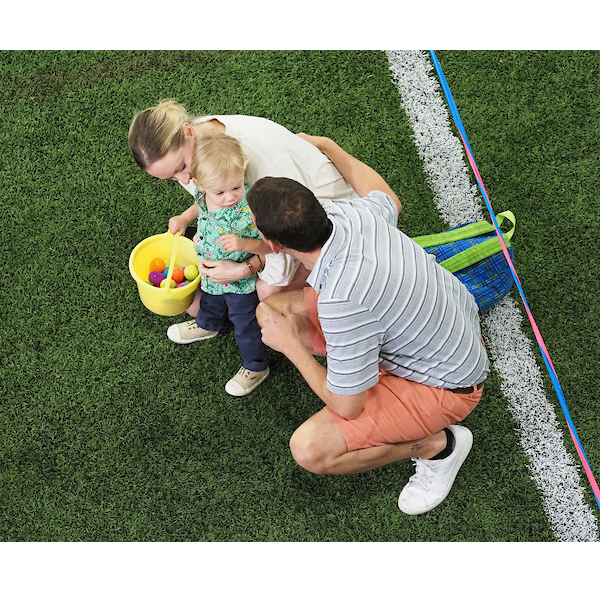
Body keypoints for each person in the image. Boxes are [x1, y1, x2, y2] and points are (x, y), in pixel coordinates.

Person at [249, 134, 489, 515]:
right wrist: (331, 147)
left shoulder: (341, 302)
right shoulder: (352, 215)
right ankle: (369, 365)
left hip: (448, 385)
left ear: (274, 244)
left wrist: (290, 347)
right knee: (272, 311)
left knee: (309, 449)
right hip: (449, 327)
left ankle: (439, 448)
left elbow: (347, 406)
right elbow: (385, 194)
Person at [128, 101, 359, 327]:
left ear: (188, 131)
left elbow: (291, 231)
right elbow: (213, 205)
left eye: (180, 168)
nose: (185, 180)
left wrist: (247, 268)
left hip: (323, 229)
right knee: (193, 301)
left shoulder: (263, 161)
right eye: (172, 177)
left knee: (266, 296)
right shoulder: (195, 148)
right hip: (262, 227)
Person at [173, 133, 270, 396]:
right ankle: (207, 325)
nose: (229, 197)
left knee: (245, 323)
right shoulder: (205, 196)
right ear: (201, 186)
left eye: (236, 187)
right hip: (211, 273)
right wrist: (183, 218)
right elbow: (199, 207)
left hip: (241, 283)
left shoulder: (250, 209)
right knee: (210, 302)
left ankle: (256, 365)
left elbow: (270, 247)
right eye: (220, 192)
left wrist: (243, 245)